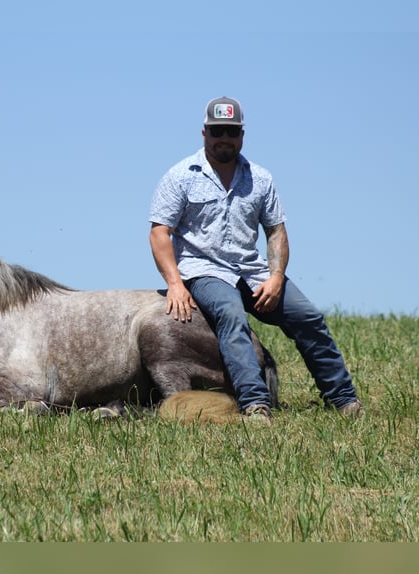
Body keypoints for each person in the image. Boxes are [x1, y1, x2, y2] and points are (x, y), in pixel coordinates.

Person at [149, 96, 362, 424]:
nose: (225, 139)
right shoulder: (180, 176)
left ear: (242, 136)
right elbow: (160, 233)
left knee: (308, 317)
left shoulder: (260, 178)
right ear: (204, 133)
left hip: (252, 270)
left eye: (231, 132)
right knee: (231, 316)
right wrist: (175, 284)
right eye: (218, 131)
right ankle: (255, 403)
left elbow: (276, 232)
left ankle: (344, 399)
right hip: (203, 269)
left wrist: (276, 277)